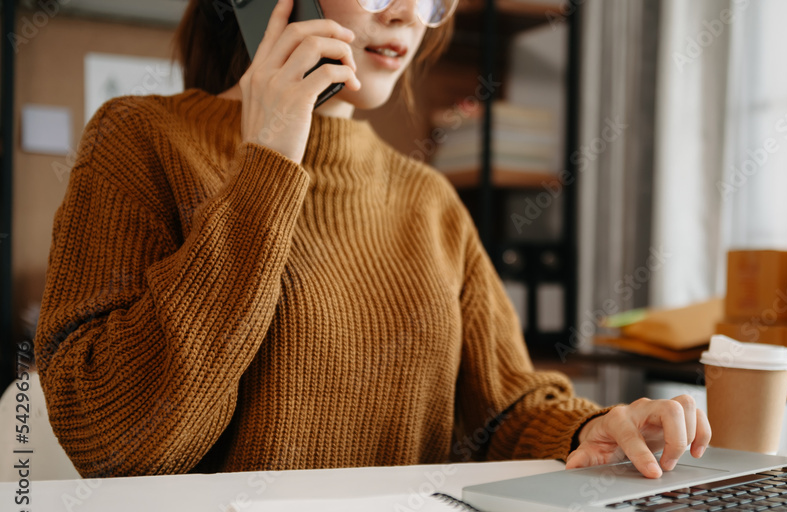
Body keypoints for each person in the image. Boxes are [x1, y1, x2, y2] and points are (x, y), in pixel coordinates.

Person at [35, 0, 710, 480]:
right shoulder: (140, 137)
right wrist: (270, 159)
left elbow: (504, 410)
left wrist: (590, 430)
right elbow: (115, 442)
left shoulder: (429, 200)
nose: (409, 14)